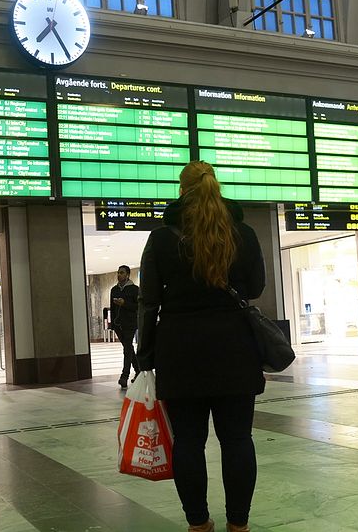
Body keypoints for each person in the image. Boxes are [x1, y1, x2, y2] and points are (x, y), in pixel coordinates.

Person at [137, 161, 265, 532]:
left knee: (189, 442)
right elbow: (255, 288)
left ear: (182, 189)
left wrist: (145, 356)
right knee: (238, 438)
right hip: (235, 347)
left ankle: (198, 523)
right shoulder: (243, 233)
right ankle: (238, 524)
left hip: (180, 350)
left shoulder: (162, 238)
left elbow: (148, 302)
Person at [110, 264, 140, 389]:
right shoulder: (114, 290)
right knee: (128, 348)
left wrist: (125, 303)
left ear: (127, 275)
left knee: (127, 348)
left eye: (121, 273)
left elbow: (138, 307)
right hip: (118, 324)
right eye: (118, 272)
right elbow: (112, 308)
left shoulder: (134, 289)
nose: (119, 275)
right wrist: (112, 324)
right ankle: (138, 371)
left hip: (130, 323)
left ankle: (124, 376)